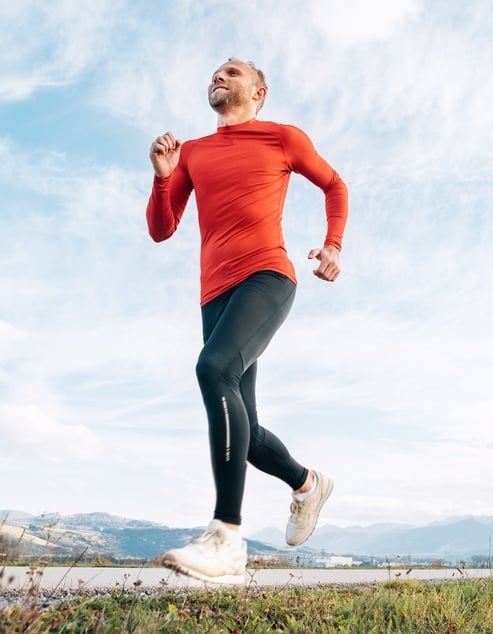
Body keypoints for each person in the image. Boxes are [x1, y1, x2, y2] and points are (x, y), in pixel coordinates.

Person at [145, 58, 347, 584]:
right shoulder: (192, 152)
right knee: (247, 429)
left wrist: (332, 246)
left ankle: (226, 539)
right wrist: (162, 179)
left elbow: (334, 185)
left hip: (267, 276)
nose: (219, 76)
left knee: (214, 370)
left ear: (259, 91)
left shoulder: (282, 138)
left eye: (231, 72)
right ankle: (307, 484)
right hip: (214, 292)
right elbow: (162, 229)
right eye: (215, 71)